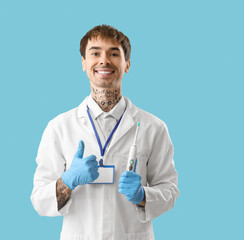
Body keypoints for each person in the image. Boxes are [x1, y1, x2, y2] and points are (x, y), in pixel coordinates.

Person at [30, 24, 179, 240]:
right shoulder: (59, 127)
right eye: (95, 53)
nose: (104, 61)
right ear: (83, 63)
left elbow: (170, 191)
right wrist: (67, 181)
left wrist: (143, 195)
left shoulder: (153, 127)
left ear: (127, 64)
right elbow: (39, 200)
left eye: (113, 53)